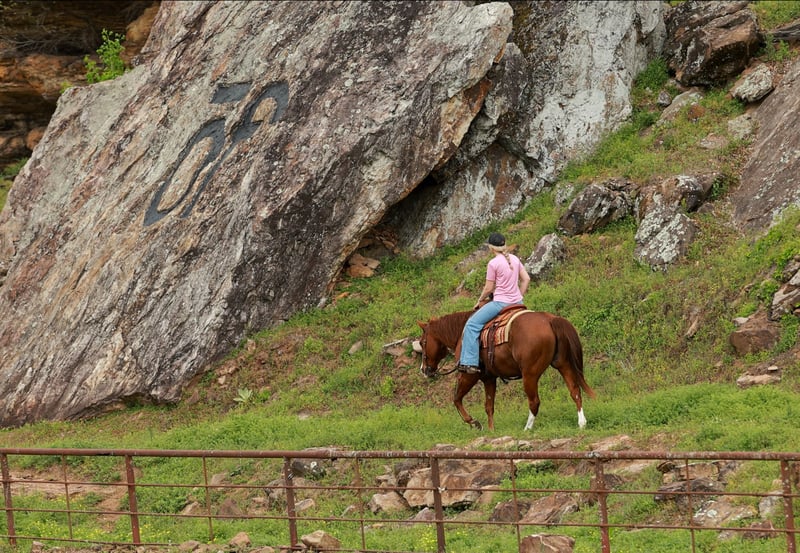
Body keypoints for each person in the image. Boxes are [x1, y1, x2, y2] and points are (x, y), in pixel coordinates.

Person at [456, 232, 530, 374]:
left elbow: (489, 288)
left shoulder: (493, 263)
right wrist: (518, 296)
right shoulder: (514, 259)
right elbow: (526, 279)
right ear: (504, 244)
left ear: (491, 248)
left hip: (500, 303)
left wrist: (479, 300)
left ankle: (470, 363)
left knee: (472, 325)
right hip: (517, 303)